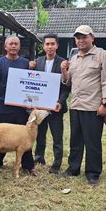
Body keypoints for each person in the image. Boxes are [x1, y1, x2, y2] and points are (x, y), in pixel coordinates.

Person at [60, 25, 106, 185]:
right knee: (75, 140)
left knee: (92, 141)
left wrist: (105, 103)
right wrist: (64, 71)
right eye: (78, 38)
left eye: (84, 37)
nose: (81, 40)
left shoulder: (102, 55)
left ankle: (93, 172)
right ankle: (73, 168)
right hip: (76, 105)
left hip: (93, 107)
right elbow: (68, 82)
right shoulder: (75, 58)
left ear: (92, 37)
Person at [0, 35, 38, 176]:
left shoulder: (26, 63)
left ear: (19, 47)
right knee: (1, 135)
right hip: (2, 106)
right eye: (11, 44)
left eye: (16, 44)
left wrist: (33, 70)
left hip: (21, 107)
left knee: (24, 137)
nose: (13, 46)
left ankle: (28, 165)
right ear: (5, 47)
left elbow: (32, 84)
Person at [29, 33, 70, 174]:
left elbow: (66, 87)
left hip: (55, 107)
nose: (50, 46)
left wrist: (60, 102)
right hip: (40, 106)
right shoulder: (37, 62)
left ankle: (57, 163)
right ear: (43, 46)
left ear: (57, 45)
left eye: (53, 44)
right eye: (47, 44)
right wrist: (30, 68)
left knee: (57, 136)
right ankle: (39, 157)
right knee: (40, 133)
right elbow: (33, 84)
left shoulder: (63, 63)